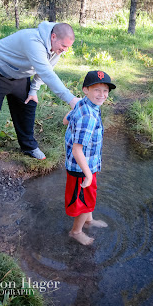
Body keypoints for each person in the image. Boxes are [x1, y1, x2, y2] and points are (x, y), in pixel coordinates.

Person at [0, 22, 80, 175]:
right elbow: (47, 73)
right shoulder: (32, 40)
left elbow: (47, 69)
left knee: (28, 105)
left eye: (68, 47)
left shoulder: (56, 49)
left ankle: (28, 146)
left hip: (18, 75)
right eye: (63, 45)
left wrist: (33, 90)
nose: (65, 50)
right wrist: (71, 99)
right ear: (53, 36)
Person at [63, 70, 116, 245]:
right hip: (82, 167)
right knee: (85, 200)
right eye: (97, 90)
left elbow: (66, 120)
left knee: (87, 197)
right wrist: (87, 174)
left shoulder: (83, 103)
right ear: (86, 89)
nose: (102, 95)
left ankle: (88, 220)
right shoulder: (89, 117)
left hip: (87, 163)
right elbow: (78, 150)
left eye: (105, 91)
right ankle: (76, 231)